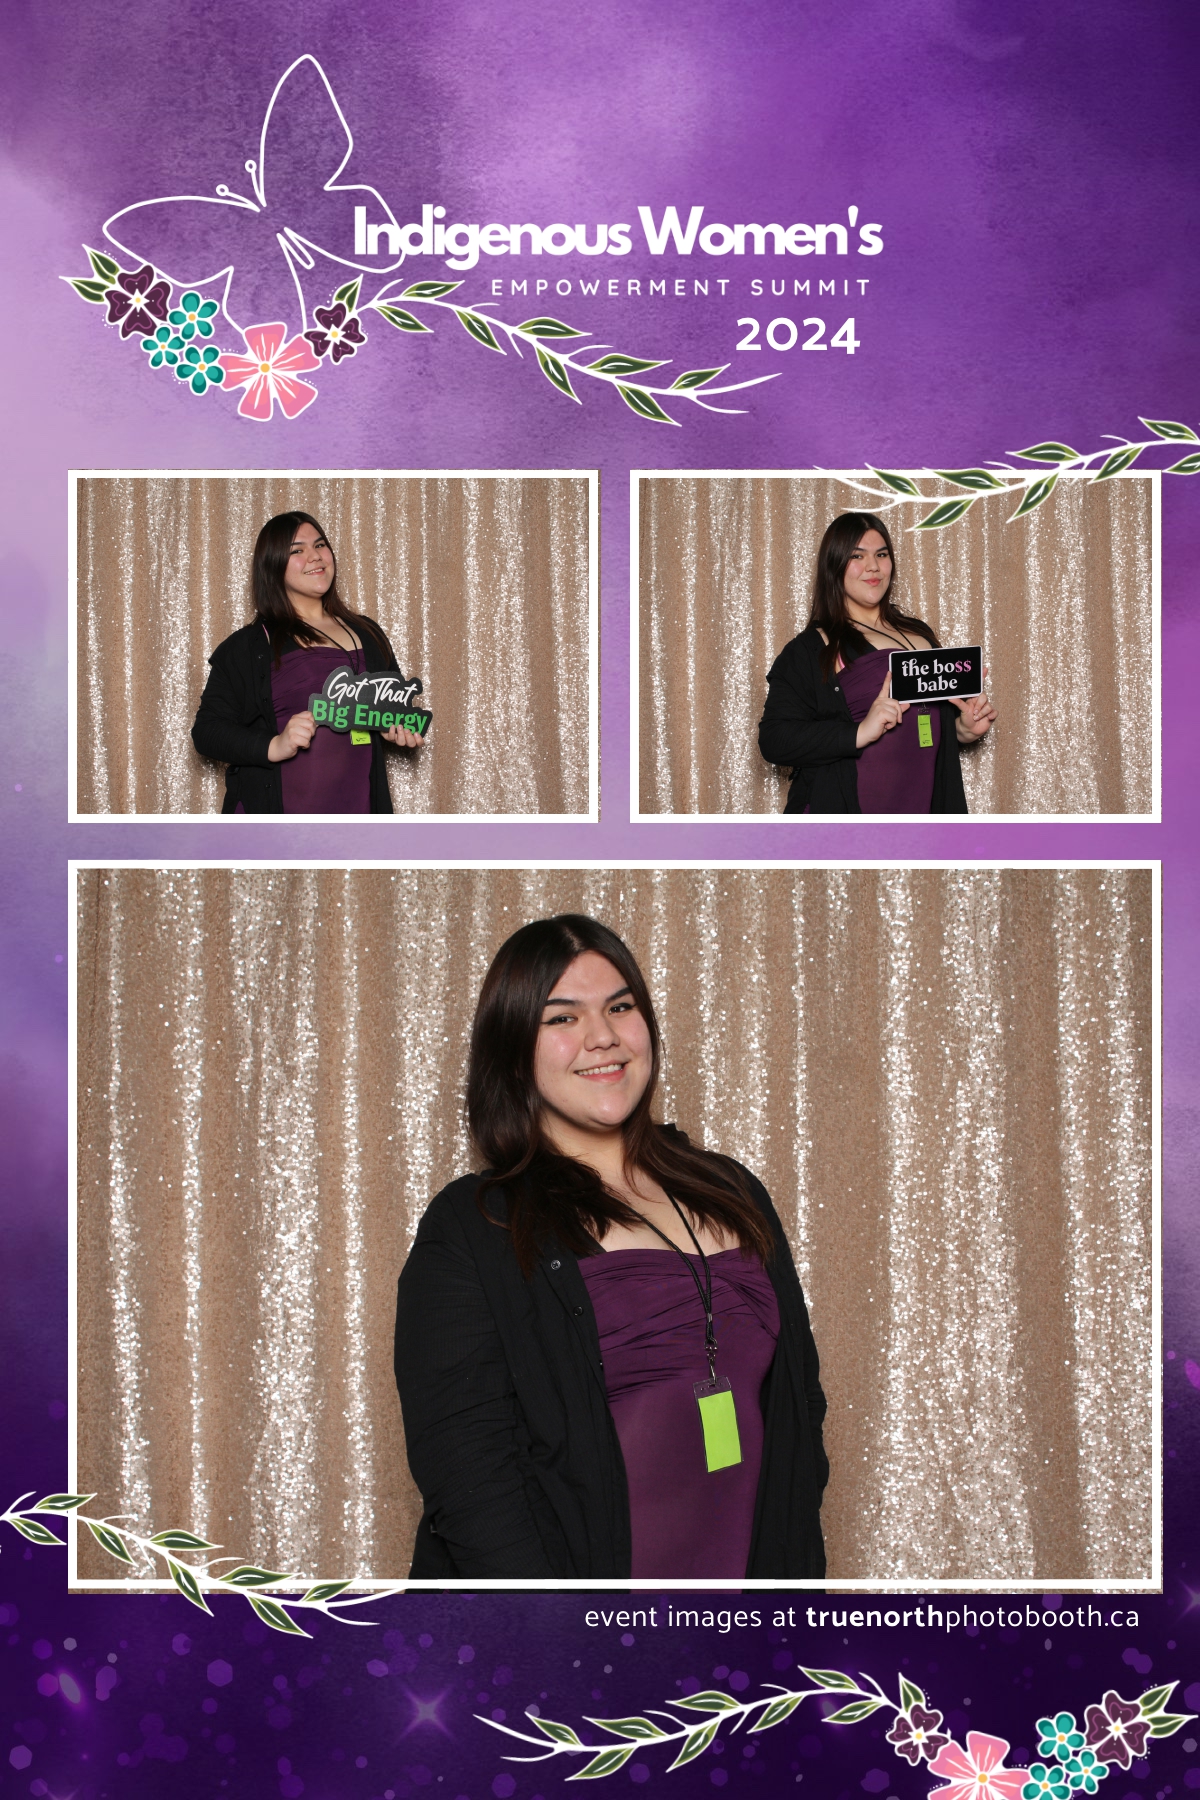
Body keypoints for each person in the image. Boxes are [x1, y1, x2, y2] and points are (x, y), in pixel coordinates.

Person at [394, 914, 828, 1580]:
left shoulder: (733, 1191)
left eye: (620, 1007)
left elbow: (800, 1410)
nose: (602, 1036)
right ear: (513, 1048)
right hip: (571, 1628)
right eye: (562, 1018)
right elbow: (470, 1481)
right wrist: (571, 1635)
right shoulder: (475, 1226)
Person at [757, 511, 996, 812]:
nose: (873, 566)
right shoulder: (811, 649)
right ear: (834, 565)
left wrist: (964, 729)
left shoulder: (920, 634)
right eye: (857, 556)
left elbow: (927, 727)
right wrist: (859, 731)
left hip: (922, 814)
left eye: (881, 554)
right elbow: (774, 740)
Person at [191, 510, 425, 812]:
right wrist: (274, 745)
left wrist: (395, 726)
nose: (314, 556)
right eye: (297, 551)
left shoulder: (368, 633)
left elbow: (394, 706)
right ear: (272, 565)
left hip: (359, 812)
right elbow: (207, 732)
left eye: (320, 545)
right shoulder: (249, 646)